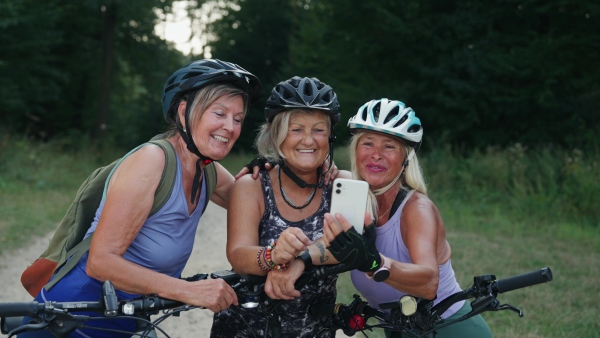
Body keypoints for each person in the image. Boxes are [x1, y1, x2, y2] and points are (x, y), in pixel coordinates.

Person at [19, 59, 263, 338]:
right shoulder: (152, 161)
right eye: (219, 113)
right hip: (74, 316)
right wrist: (189, 290)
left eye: (238, 118)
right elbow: (100, 262)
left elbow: (257, 207)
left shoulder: (207, 171)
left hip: (128, 316)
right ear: (184, 112)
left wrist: (276, 171)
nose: (230, 127)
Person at [323, 98, 493, 337]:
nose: (376, 155)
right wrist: (265, 167)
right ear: (356, 150)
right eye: (368, 144)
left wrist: (374, 263)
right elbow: (304, 172)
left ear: (405, 160)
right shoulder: (355, 195)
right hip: (401, 330)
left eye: (389, 146)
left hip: (449, 328)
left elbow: (428, 283)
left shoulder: (416, 209)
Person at [211, 76, 346, 338]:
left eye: (318, 130)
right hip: (246, 328)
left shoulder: (343, 184)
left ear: (330, 135)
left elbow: (351, 246)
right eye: (296, 129)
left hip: (315, 330)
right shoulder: (252, 185)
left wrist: (299, 260)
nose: (308, 140)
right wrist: (274, 256)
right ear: (276, 133)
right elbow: (238, 255)